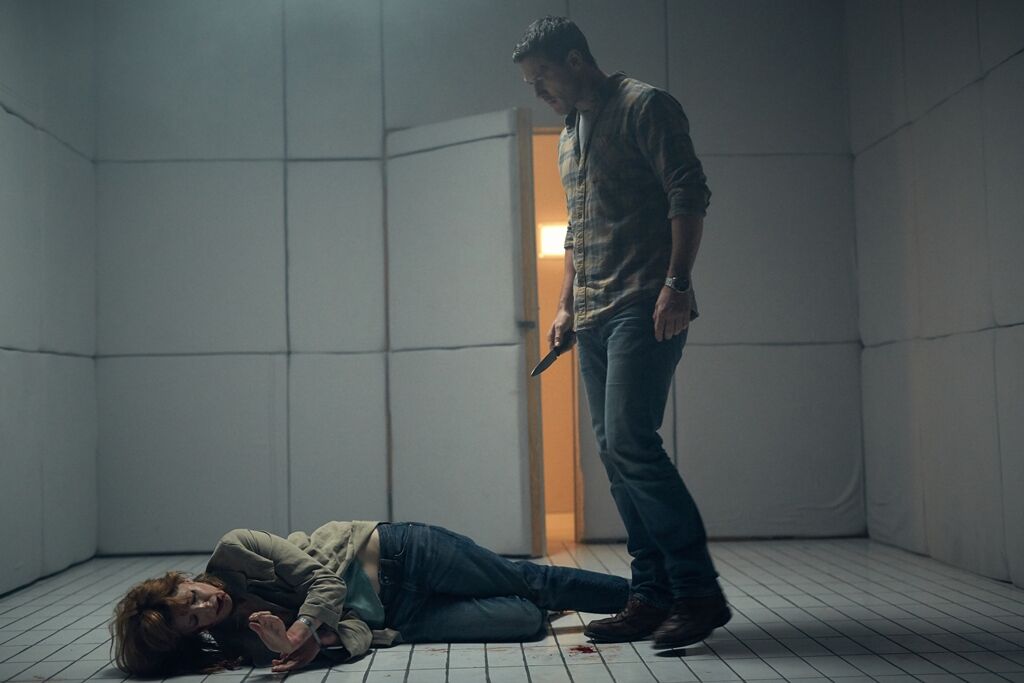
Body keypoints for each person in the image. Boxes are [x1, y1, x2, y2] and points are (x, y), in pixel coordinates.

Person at [512, 17, 731, 649]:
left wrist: (677, 285)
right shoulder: (569, 134)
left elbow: (688, 193)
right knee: (615, 454)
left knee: (633, 443)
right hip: (592, 313)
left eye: (543, 77)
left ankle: (697, 593)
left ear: (576, 60)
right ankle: (650, 596)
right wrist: (563, 306)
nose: (539, 92)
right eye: (530, 84)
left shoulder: (645, 106)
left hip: (645, 302)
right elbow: (576, 230)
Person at [110, 520, 628, 677]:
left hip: (401, 553)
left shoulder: (236, 548)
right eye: (192, 620)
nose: (205, 607)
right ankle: (527, 598)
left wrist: (298, 632)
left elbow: (327, 585)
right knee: (523, 620)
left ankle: (651, 599)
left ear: (183, 580)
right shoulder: (244, 642)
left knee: (530, 583)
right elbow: (349, 636)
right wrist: (309, 646)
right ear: (195, 636)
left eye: (191, 597)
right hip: (400, 617)